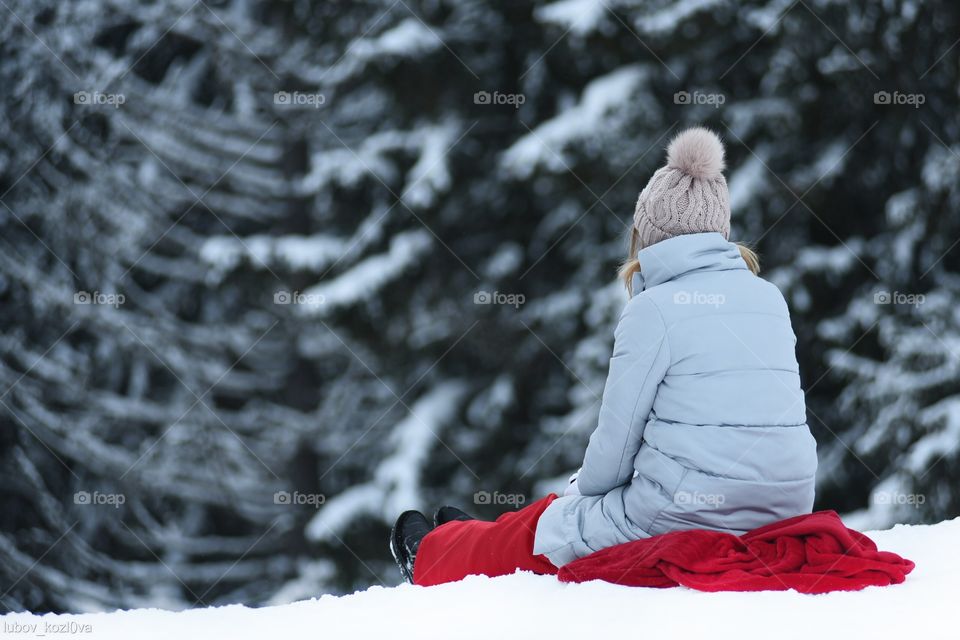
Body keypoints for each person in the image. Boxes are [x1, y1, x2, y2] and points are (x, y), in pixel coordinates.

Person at [389, 126, 818, 586]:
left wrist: (576, 499)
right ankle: (469, 532)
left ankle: (435, 554)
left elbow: (613, 455)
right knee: (566, 513)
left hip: (682, 514)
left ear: (647, 234)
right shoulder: (769, 297)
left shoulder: (653, 309)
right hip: (786, 505)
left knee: (552, 526)